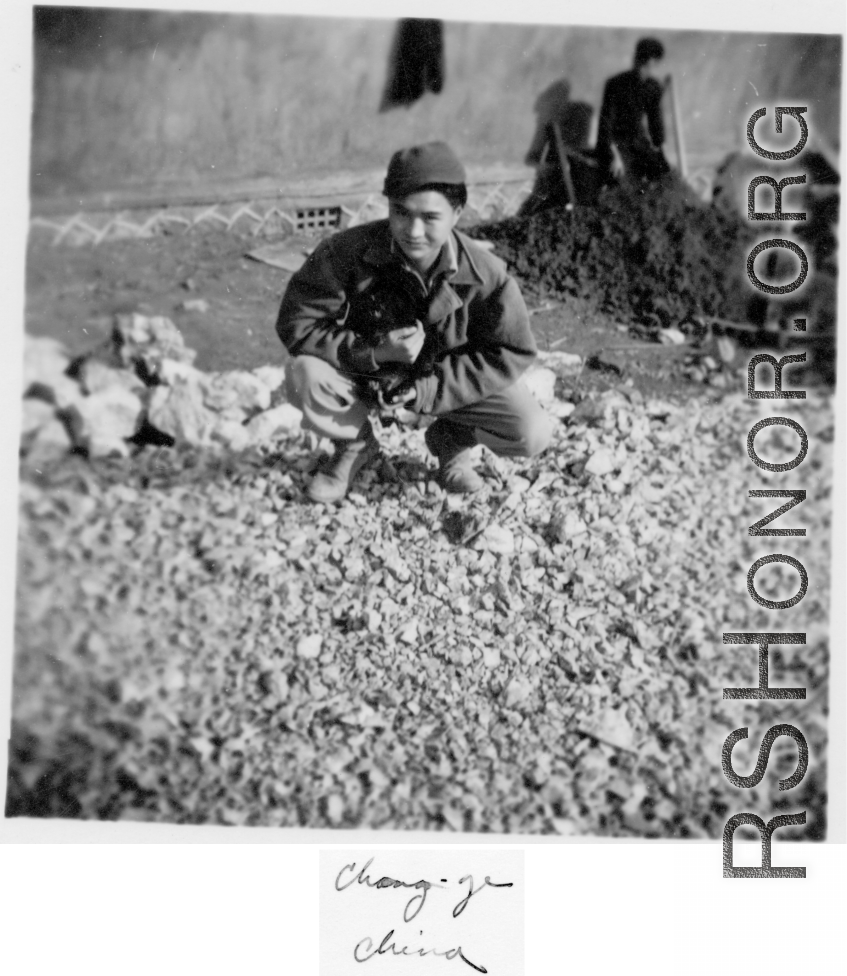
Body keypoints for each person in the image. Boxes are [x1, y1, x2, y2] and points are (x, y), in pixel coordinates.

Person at [276, 141, 554, 503]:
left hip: (442, 385)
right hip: (365, 372)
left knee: (530, 431)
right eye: (401, 213)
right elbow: (298, 322)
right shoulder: (344, 251)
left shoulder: (487, 275)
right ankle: (354, 445)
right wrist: (374, 351)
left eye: (430, 217)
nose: (413, 230)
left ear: (457, 213)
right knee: (304, 373)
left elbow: (510, 351)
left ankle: (452, 438)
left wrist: (427, 389)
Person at [596, 37, 671, 185]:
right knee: (622, 177)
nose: (645, 69)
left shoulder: (653, 87)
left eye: (650, 65)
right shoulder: (615, 84)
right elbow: (605, 125)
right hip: (616, 144)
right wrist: (614, 157)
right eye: (642, 62)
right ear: (638, 59)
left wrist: (661, 148)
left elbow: (655, 123)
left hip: (639, 142)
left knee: (663, 173)